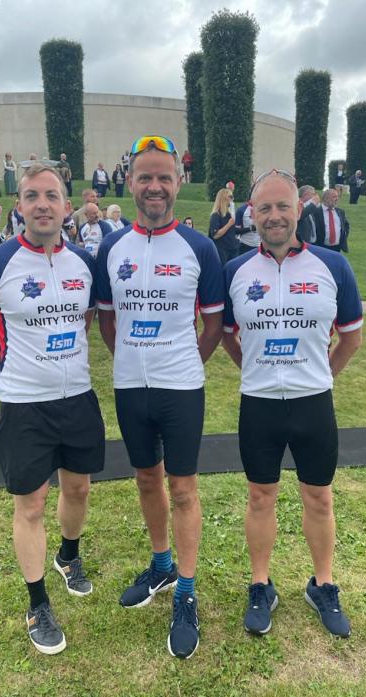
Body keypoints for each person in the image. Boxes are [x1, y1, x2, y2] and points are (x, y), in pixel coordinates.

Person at [0, 164, 105, 656]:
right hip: (24, 406)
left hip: (78, 397)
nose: (42, 204)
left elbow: (83, 321)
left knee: (79, 487)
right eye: (31, 196)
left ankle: (69, 556)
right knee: (31, 504)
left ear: (66, 206)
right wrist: (9, 376)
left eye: (52, 195)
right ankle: (37, 602)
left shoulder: (85, 264)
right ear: (18, 205)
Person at [96, 134, 224, 659]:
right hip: (130, 384)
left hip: (180, 386)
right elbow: (107, 321)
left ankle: (187, 591)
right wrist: (131, 356)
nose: (154, 186)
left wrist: (182, 361)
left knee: (185, 488)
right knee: (146, 477)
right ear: (129, 182)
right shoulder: (111, 246)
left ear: (178, 183)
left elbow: (213, 326)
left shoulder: (200, 247)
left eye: (163, 177)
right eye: (144, 177)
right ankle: (162, 564)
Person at [222, 169, 364, 639]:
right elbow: (227, 338)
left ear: (298, 210)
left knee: (319, 497)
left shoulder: (332, 267)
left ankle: (323, 584)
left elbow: (351, 338)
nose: (275, 216)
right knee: (260, 496)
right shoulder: (235, 272)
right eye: (265, 208)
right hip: (259, 404)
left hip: (313, 404)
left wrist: (321, 375)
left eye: (283, 206)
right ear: (252, 214)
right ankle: (261, 584)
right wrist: (255, 369)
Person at [312, 189, 350, 253]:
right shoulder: (316, 212)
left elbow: (346, 226)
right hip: (321, 248)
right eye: (334, 197)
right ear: (326, 198)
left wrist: (343, 238)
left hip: (337, 248)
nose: (337, 199)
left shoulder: (340, 212)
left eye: (337, 196)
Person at [209, 188, 239, 265]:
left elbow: (233, 231)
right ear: (224, 198)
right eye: (230, 196)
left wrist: (251, 228)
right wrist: (229, 224)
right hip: (222, 251)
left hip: (233, 249)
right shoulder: (215, 215)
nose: (232, 199)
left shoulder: (229, 215)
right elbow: (215, 235)